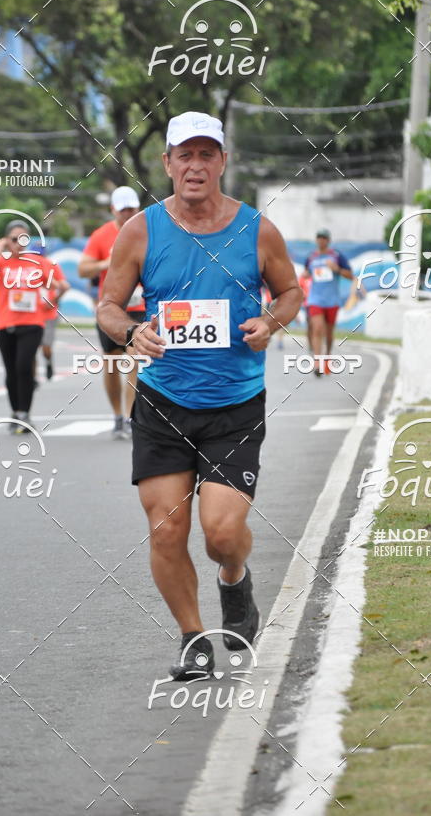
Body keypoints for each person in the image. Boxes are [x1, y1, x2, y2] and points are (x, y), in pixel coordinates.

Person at [97, 111, 303, 679]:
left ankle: (234, 580)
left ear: (221, 162)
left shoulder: (256, 228)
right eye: (183, 155)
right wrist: (132, 332)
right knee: (166, 528)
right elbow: (108, 306)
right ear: (166, 163)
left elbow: (289, 291)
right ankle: (193, 638)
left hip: (235, 404)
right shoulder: (140, 230)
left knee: (221, 534)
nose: (194, 166)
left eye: (205, 154)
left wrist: (272, 321)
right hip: (162, 401)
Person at [0, 220, 65, 433]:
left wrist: (51, 303)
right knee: (10, 371)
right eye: (15, 239)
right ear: (7, 240)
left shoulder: (37, 262)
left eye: (24, 239)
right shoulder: (0, 262)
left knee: (24, 367)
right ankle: (16, 412)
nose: (20, 243)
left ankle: (25, 414)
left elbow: (61, 285)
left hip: (32, 323)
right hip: (4, 324)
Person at [79, 186, 144, 438]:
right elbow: (83, 270)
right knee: (112, 364)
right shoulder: (101, 235)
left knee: (135, 359)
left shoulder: (147, 231)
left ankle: (129, 416)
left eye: (132, 208)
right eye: (123, 209)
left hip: (140, 307)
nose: (128, 213)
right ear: (113, 210)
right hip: (111, 308)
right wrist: (108, 262)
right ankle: (117, 415)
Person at [302, 228, 352, 375]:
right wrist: (305, 275)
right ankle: (317, 363)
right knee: (317, 328)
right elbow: (306, 272)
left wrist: (337, 269)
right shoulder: (311, 257)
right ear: (316, 240)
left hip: (332, 301)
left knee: (329, 333)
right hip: (315, 299)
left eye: (324, 238)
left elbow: (349, 275)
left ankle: (327, 357)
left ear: (328, 241)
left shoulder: (336, 256)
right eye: (319, 237)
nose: (321, 240)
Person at [38, 256, 69, 380]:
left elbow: (64, 286)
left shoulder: (51, 265)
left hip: (48, 313)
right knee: (29, 348)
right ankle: (32, 378)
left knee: (46, 346)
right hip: (30, 314)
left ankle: (49, 362)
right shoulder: (23, 265)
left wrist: (53, 301)